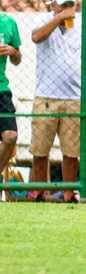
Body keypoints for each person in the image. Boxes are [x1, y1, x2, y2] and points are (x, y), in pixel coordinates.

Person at [30, 0, 82, 203]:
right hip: (46, 96)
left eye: (71, 4)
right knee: (40, 151)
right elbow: (36, 37)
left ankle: (69, 193)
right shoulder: (43, 21)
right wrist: (57, 18)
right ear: (53, 5)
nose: (67, 8)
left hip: (73, 97)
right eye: (63, 4)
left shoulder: (81, 28)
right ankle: (41, 192)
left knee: (71, 153)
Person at [0, 10, 21, 178]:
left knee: (10, 136)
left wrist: (13, 52)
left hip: (2, 88)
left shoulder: (8, 22)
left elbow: (17, 59)